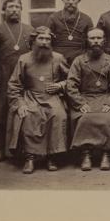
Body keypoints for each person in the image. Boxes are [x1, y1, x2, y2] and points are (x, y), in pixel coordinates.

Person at [6, 26, 70, 174]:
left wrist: (60, 85)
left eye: (47, 39)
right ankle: (30, 158)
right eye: (41, 38)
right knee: (28, 116)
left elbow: (72, 79)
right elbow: (14, 84)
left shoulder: (58, 58)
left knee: (59, 115)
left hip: (52, 97)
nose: (44, 42)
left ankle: (52, 157)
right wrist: (20, 103)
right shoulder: (24, 59)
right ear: (33, 41)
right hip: (31, 97)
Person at [0, 0, 34, 162]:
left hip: (24, 79)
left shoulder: (29, 30)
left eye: (17, 7)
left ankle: (23, 149)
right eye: (11, 7)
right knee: (1, 115)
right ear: (4, 10)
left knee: (23, 113)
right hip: (3, 79)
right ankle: (0, 149)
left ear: (21, 10)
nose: (14, 10)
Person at [66, 28, 110, 171]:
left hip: (105, 97)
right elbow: (71, 85)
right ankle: (86, 154)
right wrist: (79, 103)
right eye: (92, 38)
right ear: (87, 40)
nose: (96, 41)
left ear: (104, 40)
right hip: (84, 98)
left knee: (108, 118)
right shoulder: (79, 61)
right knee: (84, 117)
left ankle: (106, 154)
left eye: (99, 38)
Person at [46, 0, 94, 65]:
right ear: (62, 0)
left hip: (80, 60)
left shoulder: (86, 19)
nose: (71, 2)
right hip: (58, 59)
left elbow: (91, 42)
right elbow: (46, 40)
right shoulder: (53, 18)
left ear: (79, 0)